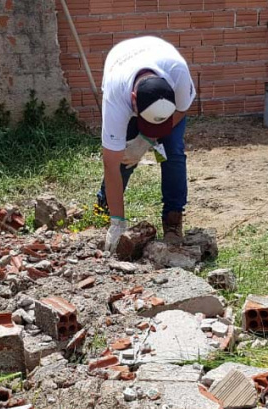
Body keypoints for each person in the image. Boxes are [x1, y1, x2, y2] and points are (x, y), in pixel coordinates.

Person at [95, 36, 196, 253]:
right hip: (121, 63)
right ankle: (105, 209)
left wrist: (146, 140)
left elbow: (182, 108)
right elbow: (110, 163)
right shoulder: (117, 98)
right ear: (133, 101)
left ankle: (172, 219)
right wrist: (117, 223)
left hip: (161, 59)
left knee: (173, 153)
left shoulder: (179, 74)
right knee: (123, 158)